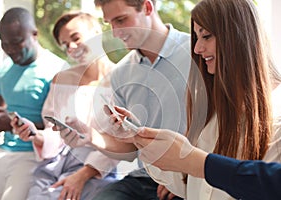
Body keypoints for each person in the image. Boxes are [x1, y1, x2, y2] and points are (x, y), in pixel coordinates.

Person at [114, 0, 281, 199]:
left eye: (206, 36)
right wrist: (141, 138)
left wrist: (191, 160)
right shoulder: (214, 112)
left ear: (238, 37)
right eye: (196, 37)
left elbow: (262, 186)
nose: (197, 49)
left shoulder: (275, 116)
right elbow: (190, 184)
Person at [59, 0, 191, 199]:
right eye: (109, 23)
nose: (114, 32)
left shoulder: (197, 53)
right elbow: (130, 148)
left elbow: (218, 125)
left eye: (121, 20)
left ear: (147, 7)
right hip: (145, 177)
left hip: (192, 172)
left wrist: (184, 172)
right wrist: (90, 136)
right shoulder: (121, 74)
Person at [10, 11, 119, 200]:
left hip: (99, 169)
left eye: (76, 38)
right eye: (66, 45)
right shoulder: (62, 80)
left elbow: (123, 142)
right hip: (54, 166)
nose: (72, 48)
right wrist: (36, 135)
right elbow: (54, 130)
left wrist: (82, 175)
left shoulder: (123, 79)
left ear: (97, 30)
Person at [0, 7, 68, 200]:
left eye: (17, 42)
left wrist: (11, 125)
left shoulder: (57, 69)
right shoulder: (3, 70)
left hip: (33, 155)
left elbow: (59, 128)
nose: (10, 49)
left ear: (34, 34)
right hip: (2, 151)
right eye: (5, 44)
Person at [131, 127, 281, 200]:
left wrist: (194, 162)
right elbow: (189, 188)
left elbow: (269, 184)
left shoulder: (274, 127)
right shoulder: (209, 117)